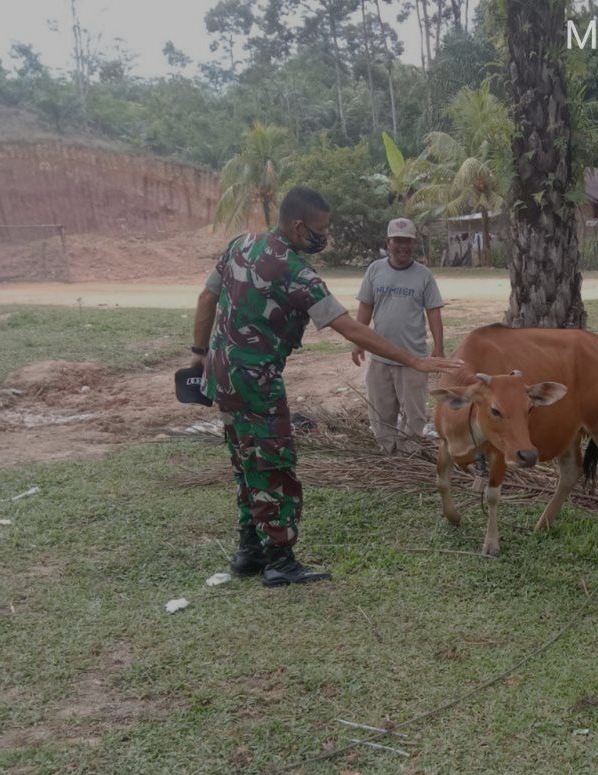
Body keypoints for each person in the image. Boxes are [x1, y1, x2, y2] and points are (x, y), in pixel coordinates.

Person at [189, 188, 462, 587]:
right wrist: (415, 360)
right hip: (258, 381)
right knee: (274, 464)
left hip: (221, 373)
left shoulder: (240, 244)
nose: (325, 236)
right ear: (299, 227)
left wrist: (198, 354)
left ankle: (249, 550)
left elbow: (206, 297)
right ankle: (279, 559)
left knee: (244, 458)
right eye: (321, 229)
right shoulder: (296, 272)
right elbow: (350, 327)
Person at [352, 218, 445, 453]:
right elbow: (365, 307)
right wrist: (358, 342)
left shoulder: (424, 275)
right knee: (380, 412)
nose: (402, 246)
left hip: (413, 359)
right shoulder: (375, 270)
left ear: (414, 244)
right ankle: (388, 453)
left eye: (407, 241)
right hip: (380, 357)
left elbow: (433, 313)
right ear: (388, 242)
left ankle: (410, 455)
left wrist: (439, 348)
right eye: (397, 241)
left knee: (414, 414)